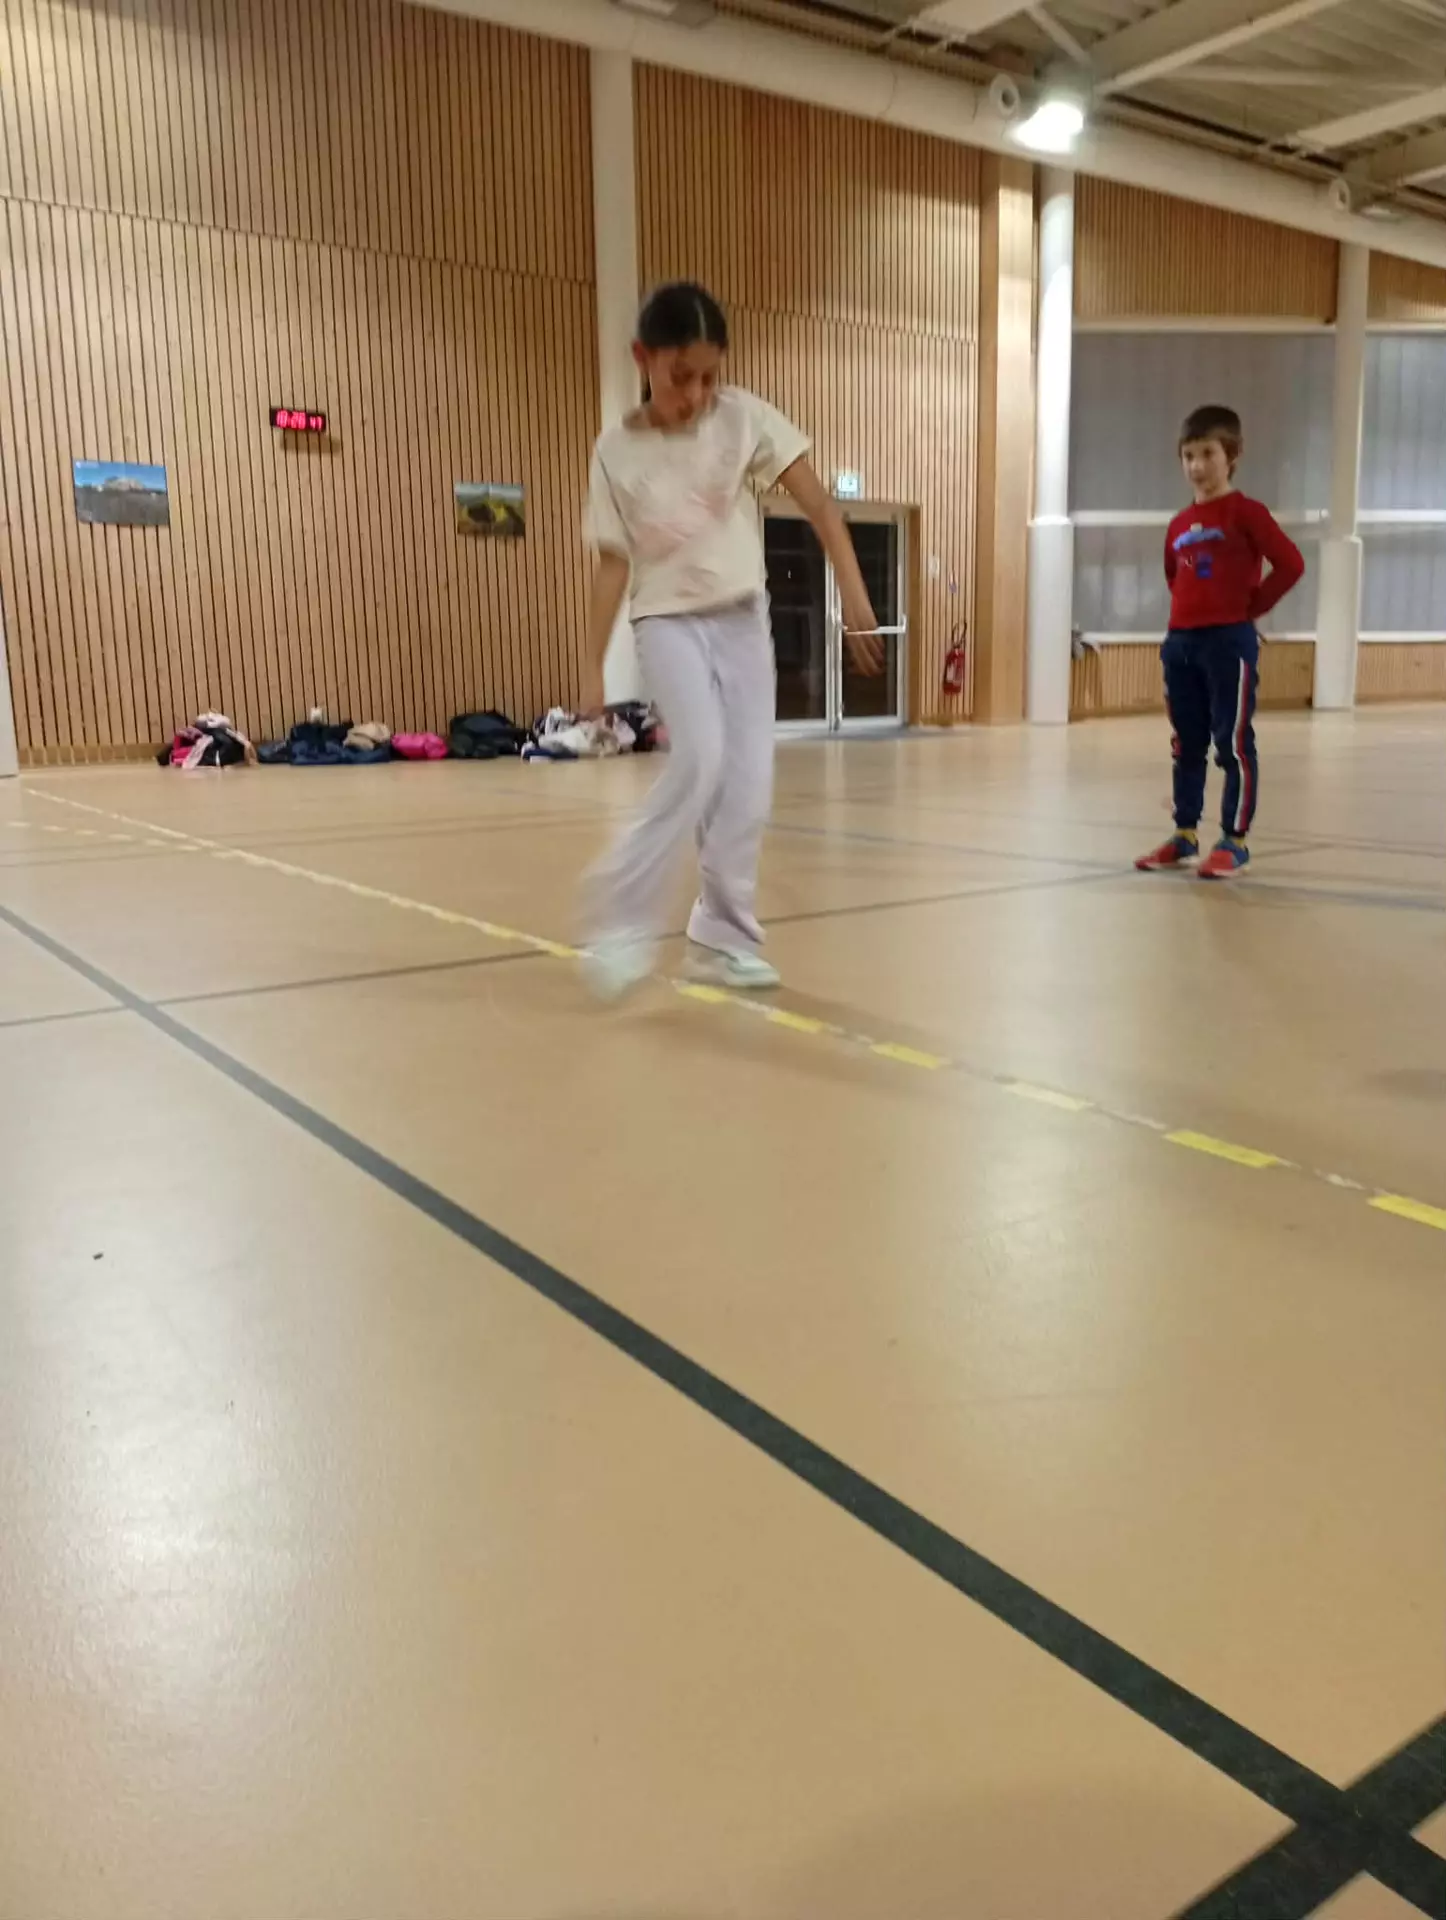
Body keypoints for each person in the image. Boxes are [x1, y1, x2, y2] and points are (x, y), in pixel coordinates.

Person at [579, 281, 882, 997]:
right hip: (667, 621)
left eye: (710, 375)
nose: (697, 392)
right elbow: (612, 565)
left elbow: (821, 507)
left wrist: (857, 601)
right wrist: (590, 670)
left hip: (743, 617)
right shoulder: (615, 451)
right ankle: (620, 918)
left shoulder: (742, 418)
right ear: (642, 359)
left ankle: (722, 936)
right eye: (681, 376)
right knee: (701, 759)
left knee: (749, 782)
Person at [1136, 404, 1305, 880]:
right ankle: (1184, 834)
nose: (1196, 465)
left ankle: (1234, 840)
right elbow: (1176, 579)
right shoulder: (1177, 526)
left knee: (1231, 743)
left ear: (1231, 455)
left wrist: (1247, 611)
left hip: (1227, 644)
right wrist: (1189, 622)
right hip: (1181, 643)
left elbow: (1291, 563)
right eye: (1187, 455)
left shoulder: (1246, 512)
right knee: (1185, 743)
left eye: (1207, 453)